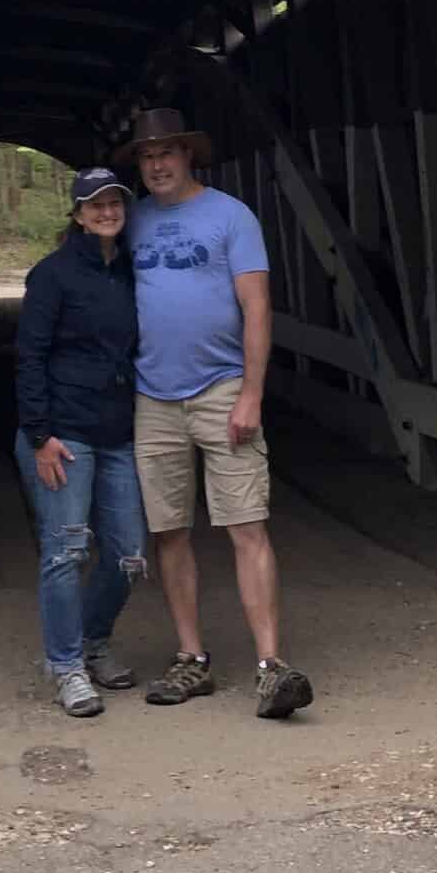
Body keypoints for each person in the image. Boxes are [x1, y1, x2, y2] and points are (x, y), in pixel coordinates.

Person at [116, 107, 314, 721]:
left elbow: (257, 306)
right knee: (169, 530)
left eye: (167, 153)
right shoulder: (131, 221)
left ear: (188, 156)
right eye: (147, 157)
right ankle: (191, 659)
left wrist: (252, 391)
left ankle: (271, 666)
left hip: (222, 387)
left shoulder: (231, 216)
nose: (156, 165)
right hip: (152, 395)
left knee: (245, 523)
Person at [14, 167, 148, 718]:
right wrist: (40, 435)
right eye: (94, 204)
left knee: (127, 555)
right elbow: (29, 357)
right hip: (62, 435)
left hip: (117, 432)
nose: (106, 211)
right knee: (66, 550)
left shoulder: (135, 273)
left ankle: (94, 640)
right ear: (76, 214)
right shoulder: (52, 276)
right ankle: (67, 665)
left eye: (114, 202)